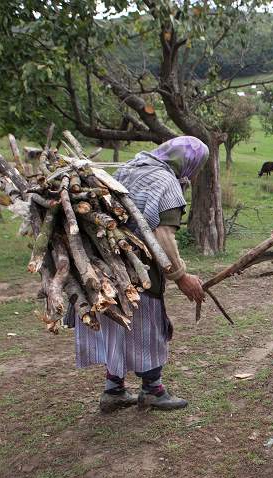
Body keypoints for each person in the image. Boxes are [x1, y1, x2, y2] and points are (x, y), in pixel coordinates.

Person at [68, 136, 208, 413]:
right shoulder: (167, 184)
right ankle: (152, 390)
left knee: (116, 324)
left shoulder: (130, 168)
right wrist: (181, 276)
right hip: (137, 268)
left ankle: (113, 390)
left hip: (105, 262)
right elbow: (163, 236)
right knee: (146, 328)